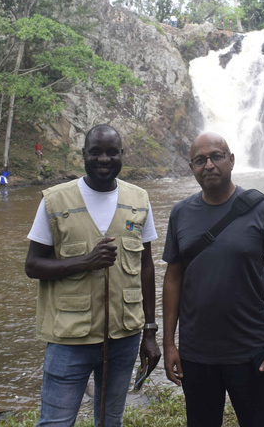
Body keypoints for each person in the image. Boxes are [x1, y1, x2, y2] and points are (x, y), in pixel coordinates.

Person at [25, 124, 161, 427]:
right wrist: (84, 262)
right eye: (95, 152)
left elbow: (147, 266)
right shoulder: (54, 201)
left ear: (122, 155)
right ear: (83, 155)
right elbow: (32, 265)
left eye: (111, 152)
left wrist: (150, 332)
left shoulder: (139, 200)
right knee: (55, 422)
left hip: (124, 336)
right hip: (69, 337)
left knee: (111, 420)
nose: (103, 159)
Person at [162, 132, 264, 427]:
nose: (209, 165)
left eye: (216, 156)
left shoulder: (262, 210)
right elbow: (172, 280)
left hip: (251, 350)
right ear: (191, 167)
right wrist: (169, 343)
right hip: (196, 354)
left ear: (231, 160)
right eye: (200, 160)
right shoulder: (180, 213)